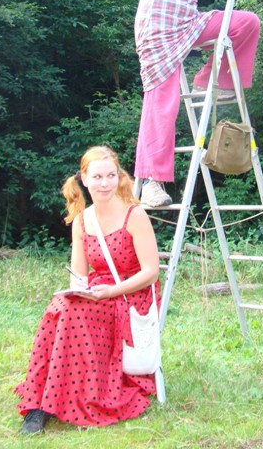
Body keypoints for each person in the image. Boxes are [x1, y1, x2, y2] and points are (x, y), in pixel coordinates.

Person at [14, 145, 160, 434]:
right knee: (59, 309)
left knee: (74, 314)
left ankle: (52, 402)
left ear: (119, 177)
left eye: (111, 176)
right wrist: (78, 292)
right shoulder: (82, 220)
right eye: (97, 177)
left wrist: (110, 292)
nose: (105, 183)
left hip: (131, 293)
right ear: (84, 179)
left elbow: (150, 272)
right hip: (98, 290)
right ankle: (39, 403)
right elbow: (79, 276)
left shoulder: (135, 215)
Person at [134, 0, 260, 207]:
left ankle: (213, 82)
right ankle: (151, 182)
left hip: (188, 23)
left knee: (246, 23)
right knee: (164, 103)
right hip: (159, 26)